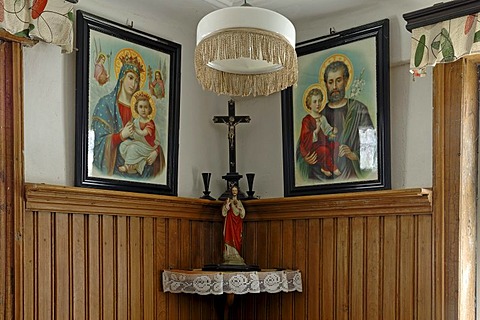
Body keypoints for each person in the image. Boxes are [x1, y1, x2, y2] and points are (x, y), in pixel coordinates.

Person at [299, 55, 374, 181]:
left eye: (338, 80)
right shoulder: (317, 115)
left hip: (350, 179)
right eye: (330, 82)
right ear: (326, 85)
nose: (334, 87)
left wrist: (353, 154)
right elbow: (301, 148)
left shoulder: (359, 110)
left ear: (346, 81)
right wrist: (306, 158)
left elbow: (371, 148)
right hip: (319, 181)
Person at [91, 50, 163, 179]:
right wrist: (121, 136)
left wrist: (156, 152)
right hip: (114, 168)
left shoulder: (141, 109)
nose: (134, 84)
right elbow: (97, 143)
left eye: (137, 80)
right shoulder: (106, 104)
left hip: (141, 162)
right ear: (122, 77)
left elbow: (153, 138)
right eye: (130, 78)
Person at [297, 85, 341, 177]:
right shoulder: (307, 120)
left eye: (319, 101)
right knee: (324, 150)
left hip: (323, 142)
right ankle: (331, 167)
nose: (318, 104)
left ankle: (325, 167)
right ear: (309, 104)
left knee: (336, 145)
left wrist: (332, 130)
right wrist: (316, 131)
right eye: (314, 101)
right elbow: (304, 138)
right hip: (313, 147)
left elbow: (327, 130)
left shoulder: (322, 117)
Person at [118, 91, 165, 175]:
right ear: (137, 108)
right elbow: (134, 136)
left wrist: (135, 129)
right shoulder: (136, 121)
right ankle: (134, 166)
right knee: (124, 145)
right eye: (141, 107)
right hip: (139, 143)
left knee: (133, 148)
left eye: (146, 107)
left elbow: (143, 133)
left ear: (149, 109)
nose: (143, 110)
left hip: (148, 147)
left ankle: (127, 166)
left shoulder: (150, 123)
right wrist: (128, 129)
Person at [222, 185, 245, 265]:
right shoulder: (228, 200)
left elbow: (242, 214)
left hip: (237, 223)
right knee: (229, 236)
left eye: (236, 190)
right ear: (231, 192)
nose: (234, 192)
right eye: (233, 190)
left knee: (237, 238)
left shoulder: (239, 202)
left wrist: (240, 209)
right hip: (230, 222)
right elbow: (224, 213)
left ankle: (237, 255)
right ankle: (229, 255)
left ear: (238, 192)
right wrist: (227, 206)